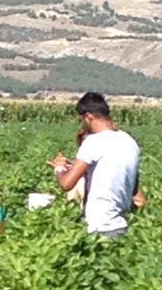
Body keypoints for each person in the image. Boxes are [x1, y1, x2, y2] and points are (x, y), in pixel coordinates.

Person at [50, 92, 146, 237]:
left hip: (98, 226)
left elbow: (67, 184)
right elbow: (131, 185)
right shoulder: (130, 142)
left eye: (81, 120)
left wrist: (59, 168)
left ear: (89, 117)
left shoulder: (93, 142)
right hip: (121, 225)